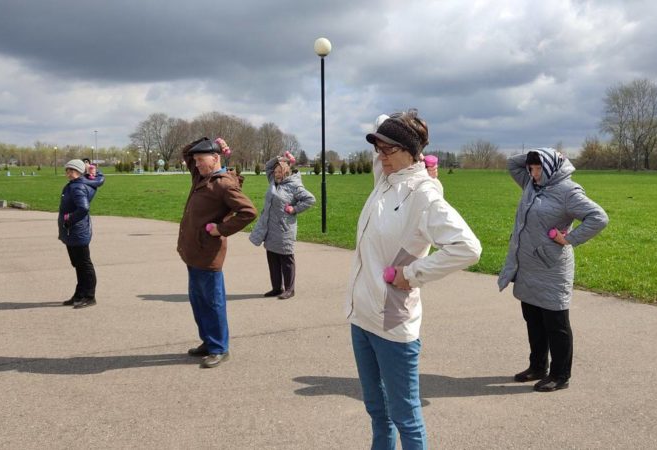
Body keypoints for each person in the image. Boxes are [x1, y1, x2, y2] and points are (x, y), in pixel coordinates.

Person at [345, 110, 481, 449]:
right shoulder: (385, 179)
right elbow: (382, 119)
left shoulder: (424, 194)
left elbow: (468, 248)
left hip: (392, 323)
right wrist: (401, 125)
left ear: (409, 151)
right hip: (361, 316)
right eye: (378, 148)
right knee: (377, 410)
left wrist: (412, 274)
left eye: (388, 149)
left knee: (405, 416)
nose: (380, 156)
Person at [498, 148, 608, 392]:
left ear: (550, 168)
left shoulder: (568, 191)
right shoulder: (530, 183)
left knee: (556, 324)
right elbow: (511, 164)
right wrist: (537, 153)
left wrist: (570, 239)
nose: (533, 173)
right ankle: (538, 367)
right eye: (531, 168)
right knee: (533, 319)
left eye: (538, 168)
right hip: (527, 265)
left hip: (551, 268)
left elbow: (598, 217)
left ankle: (560, 375)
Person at [177, 137, 257, 369]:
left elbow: (248, 212)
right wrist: (208, 141)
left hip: (208, 254)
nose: (197, 164)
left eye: (202, 160)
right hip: (193, 253)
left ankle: (219, 348)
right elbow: (186, 151)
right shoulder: (201, 178)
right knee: (198, 301)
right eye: (196, 161)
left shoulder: (223, 184)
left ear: (215, 159)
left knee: (212, 302)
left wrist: (221, 229)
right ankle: (208, 341)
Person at [249, 151, 316, 300]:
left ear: (286, 171)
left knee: (286, 259)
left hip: (284, 229)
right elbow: (268, 166)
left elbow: (310, 199)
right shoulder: (272, 181)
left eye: (280, 171)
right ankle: (276, 288)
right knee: (272, 258)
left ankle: (290, 289)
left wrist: (294, 209)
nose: (277, 174)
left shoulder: (294, 185)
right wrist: (279, 158)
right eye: (276, 171)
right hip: (270, 228)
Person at [59, 159, 103, 309]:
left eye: (72, 170)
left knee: (84, 264)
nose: (69, 173)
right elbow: (98, 177)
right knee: (79, 264)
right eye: (68, 170)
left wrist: (69, 220)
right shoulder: (80, 183)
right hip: (74, 231)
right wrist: (93, 170)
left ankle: (89, 296)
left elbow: (83, 208)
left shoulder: (77, 187)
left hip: (77, 230)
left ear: (79, 172)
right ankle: (80, 294)